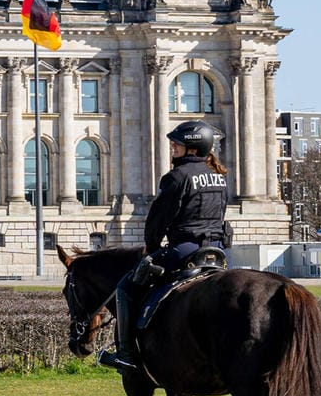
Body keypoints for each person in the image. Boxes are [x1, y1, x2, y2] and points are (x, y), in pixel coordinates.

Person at [99, 120, 231, 371]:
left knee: (126, 288)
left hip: (186, 249)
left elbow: (159, 218)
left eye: (177, 142)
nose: (173, 145)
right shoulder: (218, 176)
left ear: (192, 148)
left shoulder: (176, 177)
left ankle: (125, 354)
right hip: (217, 252)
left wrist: (151, 245)